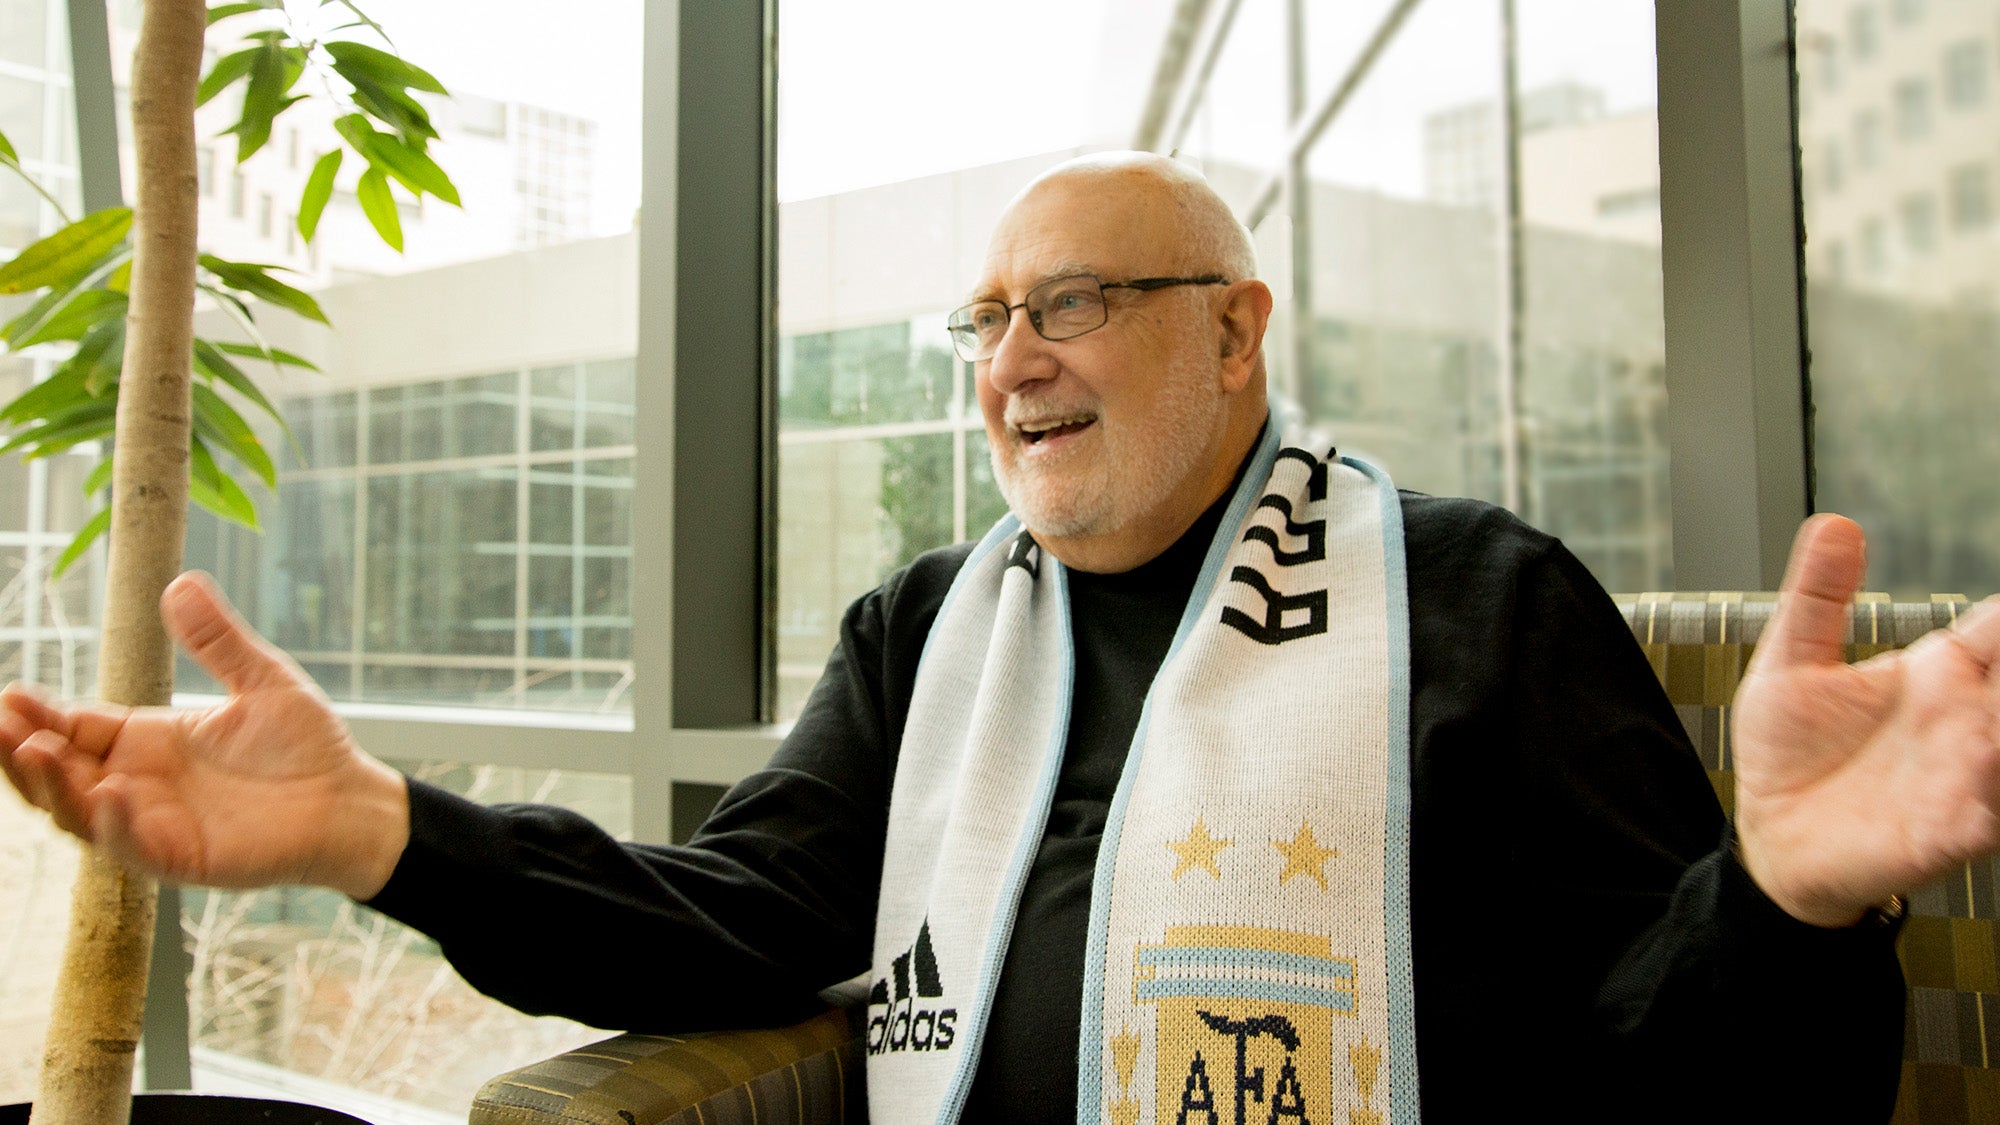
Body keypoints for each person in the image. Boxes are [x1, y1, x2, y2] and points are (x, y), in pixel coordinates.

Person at [4, 152, 1999, 1124]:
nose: (1007, 359)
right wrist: (387, 834)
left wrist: (1780, 895)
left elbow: (1659, 1076)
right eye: (980, 323)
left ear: (1236, 332)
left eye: (1067, 302)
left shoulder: (1474, 596)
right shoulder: (926, 627)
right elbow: (734, 923)